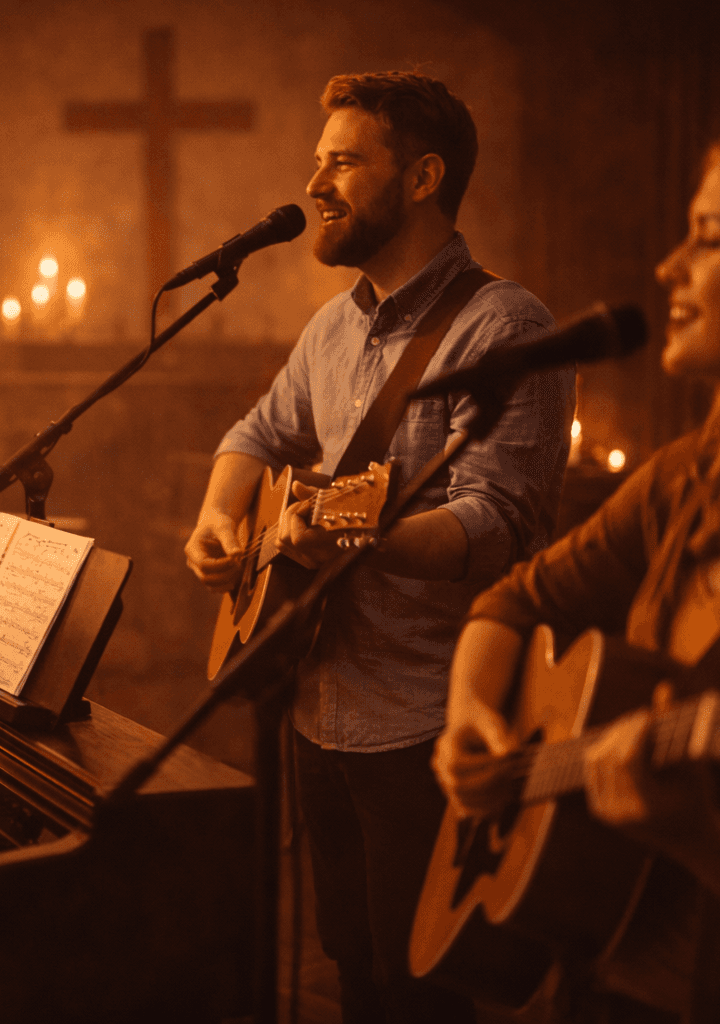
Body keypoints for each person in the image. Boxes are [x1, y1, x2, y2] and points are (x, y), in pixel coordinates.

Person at [435, 109, 720, 1022]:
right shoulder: (691, 478)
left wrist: (698, 837)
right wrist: (470, 717)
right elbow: (515, 600)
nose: (668, 268)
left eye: (710, 238)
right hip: (601, 976)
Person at [185, 72, 574, 1023]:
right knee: (355, 966)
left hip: (428, 722)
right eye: (318, 162)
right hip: (321, 704)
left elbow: (498, 521)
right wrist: (218, 519)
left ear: (422, 177)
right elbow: (256, 434)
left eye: (344, 162)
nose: (315, 184)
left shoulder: (507, 327)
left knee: (421, 992)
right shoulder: (333, 326)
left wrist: (368, 538)